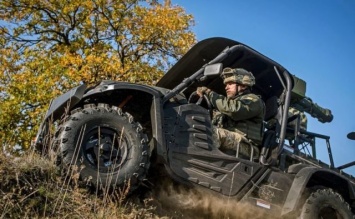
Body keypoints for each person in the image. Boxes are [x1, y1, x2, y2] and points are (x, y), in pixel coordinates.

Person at [196, 67, 265, 158]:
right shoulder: (229, 104)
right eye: (226, 84)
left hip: (247, 146)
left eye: (230, 83)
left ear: (243, 85)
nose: (226, 87)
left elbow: (234, 111)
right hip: (233, 140)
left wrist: (210, 94)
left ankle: (202, 159)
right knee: (199, 126)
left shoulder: (254, 100)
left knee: (210, 131)